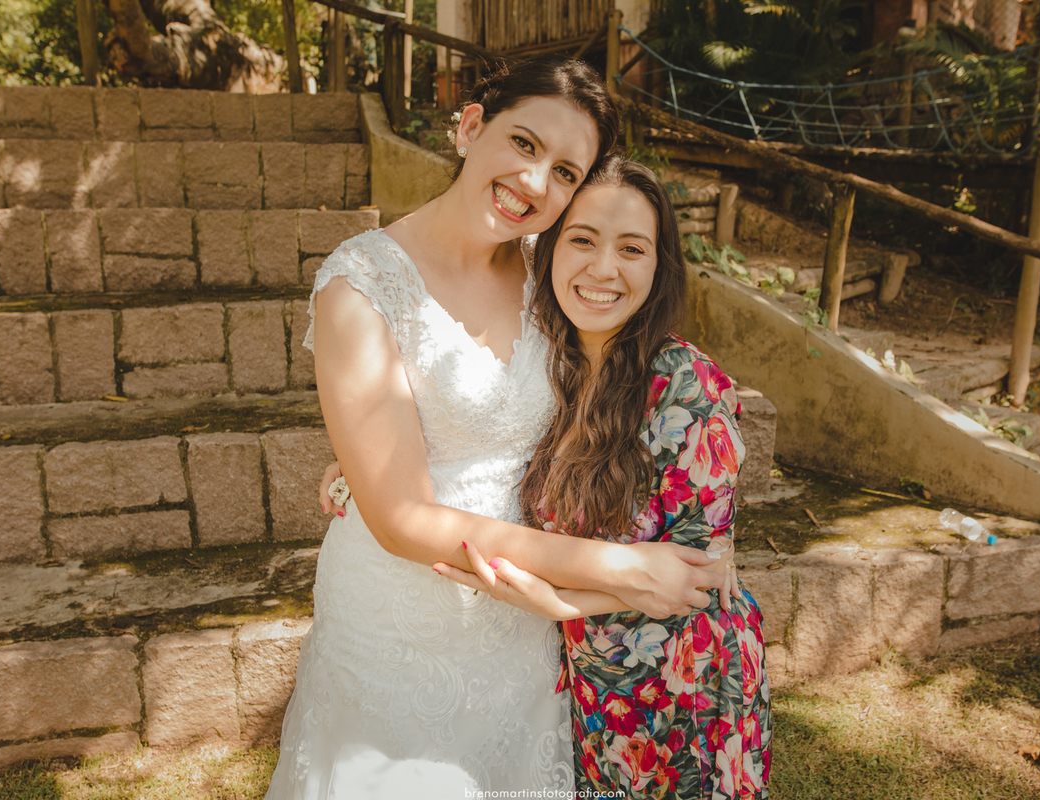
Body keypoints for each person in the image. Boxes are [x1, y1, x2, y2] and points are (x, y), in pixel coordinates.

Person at [266, 57, 731, 799]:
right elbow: (402, 521)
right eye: (523, 144)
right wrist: (617, 568)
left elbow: (599, 389)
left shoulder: (553, 266)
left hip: (526, 621)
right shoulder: (360, 284)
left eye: (566, 172)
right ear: (471, 127)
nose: (536, 183)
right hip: (404, 618)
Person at [435, 154, 772, 800]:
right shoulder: (553, 370)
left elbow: (700, 578)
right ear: (552, 247)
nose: (604, 268)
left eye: (632, 248)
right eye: (584, 239)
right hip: (596, 689)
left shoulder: (683, 385)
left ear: (658, 266)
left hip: (687, 690)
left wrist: (557, 604)